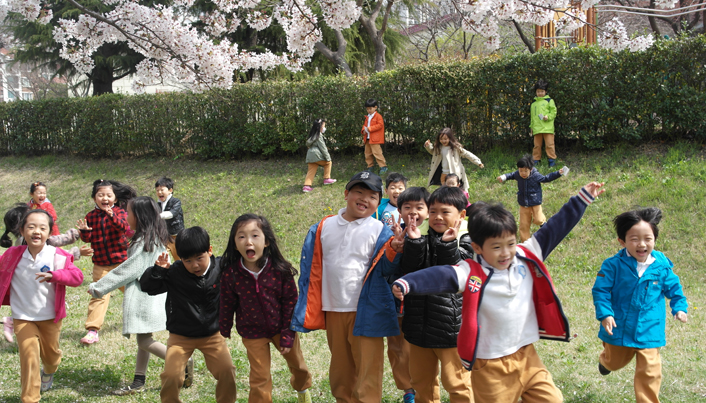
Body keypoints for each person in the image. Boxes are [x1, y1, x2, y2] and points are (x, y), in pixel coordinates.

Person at [392, 182, 605, 403]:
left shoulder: (525, 254)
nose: (505, 253)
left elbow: (556, 228)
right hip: (490, 364)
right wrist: (407, 283)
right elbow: (441, 275)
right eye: (496, 247)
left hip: (527, 355)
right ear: (477, 248)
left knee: (552, 399)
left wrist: (581, 199)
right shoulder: (472, 271)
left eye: (510, 244)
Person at [291, 171, 404, 403]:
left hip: (367, 311)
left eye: (372, 196)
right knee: (341, 371)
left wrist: (396, 248)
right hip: (333, 308)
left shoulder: (379, 230)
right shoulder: (323, 226)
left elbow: (386, 268)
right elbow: (311, 268)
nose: (364, 199)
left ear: (378, 202)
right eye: (358, 192)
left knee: (368, 370)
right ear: (346, 194)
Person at [592, 208, 688, 403]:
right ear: (622, 241)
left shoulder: (661, 265)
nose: (642, 244)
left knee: (650, 372)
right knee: (616, 361)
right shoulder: (613, 265)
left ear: (654, 239)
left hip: (650, 329)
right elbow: (600, 290)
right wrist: (605, 314)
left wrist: (679, 307)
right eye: (634, 239)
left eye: (648, 238)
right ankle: (606, 362)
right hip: (619, 327)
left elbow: (674, 289)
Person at [219, 214, 313, 403]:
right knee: (259, 377)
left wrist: (288, 333)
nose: (248, 242)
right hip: (253, 332)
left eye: (255, 236)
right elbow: (227, 302)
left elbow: (290, 303)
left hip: (282, 328)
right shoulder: (231, 274)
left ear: (267, 241)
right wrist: (225, 326)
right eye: (241, 236)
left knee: (299, 366)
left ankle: (302, 389)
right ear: (235, 243)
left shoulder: (280, 270)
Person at [87, 196, 173, 395]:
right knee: (144, 339)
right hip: (153, 295)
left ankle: (180, 360)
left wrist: (98, 287)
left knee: (144, 341)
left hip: (144, 297)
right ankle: (138, 380)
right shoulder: (153, 238)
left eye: (129, 212)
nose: (125, 216)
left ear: (140, 217)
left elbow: (126, 271)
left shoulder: (143, 242)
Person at [140, 226, 237, 403]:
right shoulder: (175, 272)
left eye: (199, 258)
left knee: (227, 370)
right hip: (180, 337)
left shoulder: (221, 268)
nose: (195, 265)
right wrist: (158, 271)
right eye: (188, 261)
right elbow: (148, 287)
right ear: (180, 259)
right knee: (171, 376)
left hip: (212, 335)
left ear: (210, 251)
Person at [398, 186, 473, 403]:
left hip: (450, 331)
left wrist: (448, 244)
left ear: (461, 214)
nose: (437, 217)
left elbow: (454, 273)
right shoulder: (422, 238)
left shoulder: (467, 240)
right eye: (432, 211)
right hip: (418, 327)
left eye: (445, 211)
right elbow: (411, 273)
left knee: (457, 384)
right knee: (422, 384)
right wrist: (413, 242)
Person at [0, 210, 83, 402]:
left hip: (50, 318)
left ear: (49, 232)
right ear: (22, 230)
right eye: (31, 227)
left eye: (42, 228)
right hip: (22, 317)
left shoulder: (58, 256)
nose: (36, 231)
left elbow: (77, 277)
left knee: (51, 357)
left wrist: (55, 275)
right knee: (29, 358)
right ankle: (30, 398)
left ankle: (50, 370)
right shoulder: (13, 255)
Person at [1, 204, 92, 344]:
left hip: (40, 301)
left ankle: (10, 321)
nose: (37, 229)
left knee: (50, 352)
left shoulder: (23, 242)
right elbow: (61, 245)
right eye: (31, 223)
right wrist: (77, 238)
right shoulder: (21, 249)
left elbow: (59, 259)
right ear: (22, 227)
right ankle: (13, 322)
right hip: (30, 302)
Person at [77, 179, 136, 345]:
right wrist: (84, 232)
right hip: (101, 264)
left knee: (134, 292)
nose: (105, 198)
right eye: (100, 195)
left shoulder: (120, 212)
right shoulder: (90, 216)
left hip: (122, 263)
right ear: (94, 198)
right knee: (98, 295)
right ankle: (92, 330)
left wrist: (112, 216)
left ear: (115, 199)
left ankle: (150, 317)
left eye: (109, 195)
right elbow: (89, 238)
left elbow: (125, 228)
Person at [497, 155, 568, 242]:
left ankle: (545, 226)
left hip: (535, 201)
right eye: (521, 170)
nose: (523, 173)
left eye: (525, 171)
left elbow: (546, 178)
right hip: (523, 203)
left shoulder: (535, 175)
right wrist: (503, 177)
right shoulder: (518, 174)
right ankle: (525, 242)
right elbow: (511, 175)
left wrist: (558, 173)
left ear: (531, 169)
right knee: (524, 225)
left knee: (538, 219)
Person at [424, 128, 484, 193]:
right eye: (441, 139)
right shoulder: (439, 148)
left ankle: (456, 199)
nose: (443, 141)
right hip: (443, 173)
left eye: (445, 139)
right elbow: (433, 152)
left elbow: (467, 154)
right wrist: (428, 146)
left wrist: (478, 162)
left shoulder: (455, 148)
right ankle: (445, 201)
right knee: (444, 190)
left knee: (454, 190)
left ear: (450, 138)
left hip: (453, 173)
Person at [155, 177, 185, 261]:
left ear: (170, 190)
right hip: (164, 235)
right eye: (157, 190)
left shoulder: (176, 202)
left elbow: (171, 214)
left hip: (176, 235)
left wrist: (157, 216)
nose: (159, 192)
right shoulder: (157, 204)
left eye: (162, 190)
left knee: (178, 258)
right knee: (161, 256)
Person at [529, 79, 558, 167]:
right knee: (536, 146)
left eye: (542, 91)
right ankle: (536, 162)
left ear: (545, 91)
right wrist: (531, 127)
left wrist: (548, 117)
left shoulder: (549, 101)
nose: (540, 93)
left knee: (549, 145)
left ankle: (552, 162)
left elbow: (554, 112)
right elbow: (532, 117)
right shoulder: (533, 103)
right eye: (538, 91)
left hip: (547, 128)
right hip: (537, 128)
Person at [303, 118, 336, 193]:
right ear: (320, 127)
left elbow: (308, 144)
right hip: (316, 155)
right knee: (328, 163)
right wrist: (328, 158)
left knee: (311, 170)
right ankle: (327, 179)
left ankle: (306, 186)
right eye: (324, 126)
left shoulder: (312, 135)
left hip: (310, 156)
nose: (324, 128)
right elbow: (323, 148)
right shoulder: (319, 136)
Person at [361, 98, 388, 175]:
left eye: (370, 108)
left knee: (377, 153)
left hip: (375, 139)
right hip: (368, 138)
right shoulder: (367, 117)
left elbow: (380, 125)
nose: (369, 110)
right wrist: (363, 130)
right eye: (367, 109)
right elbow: (365, 125)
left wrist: (369, 129)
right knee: (367, 153)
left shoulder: (378, 116)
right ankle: (370, 166)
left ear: (375, 107)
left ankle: (383, 166)